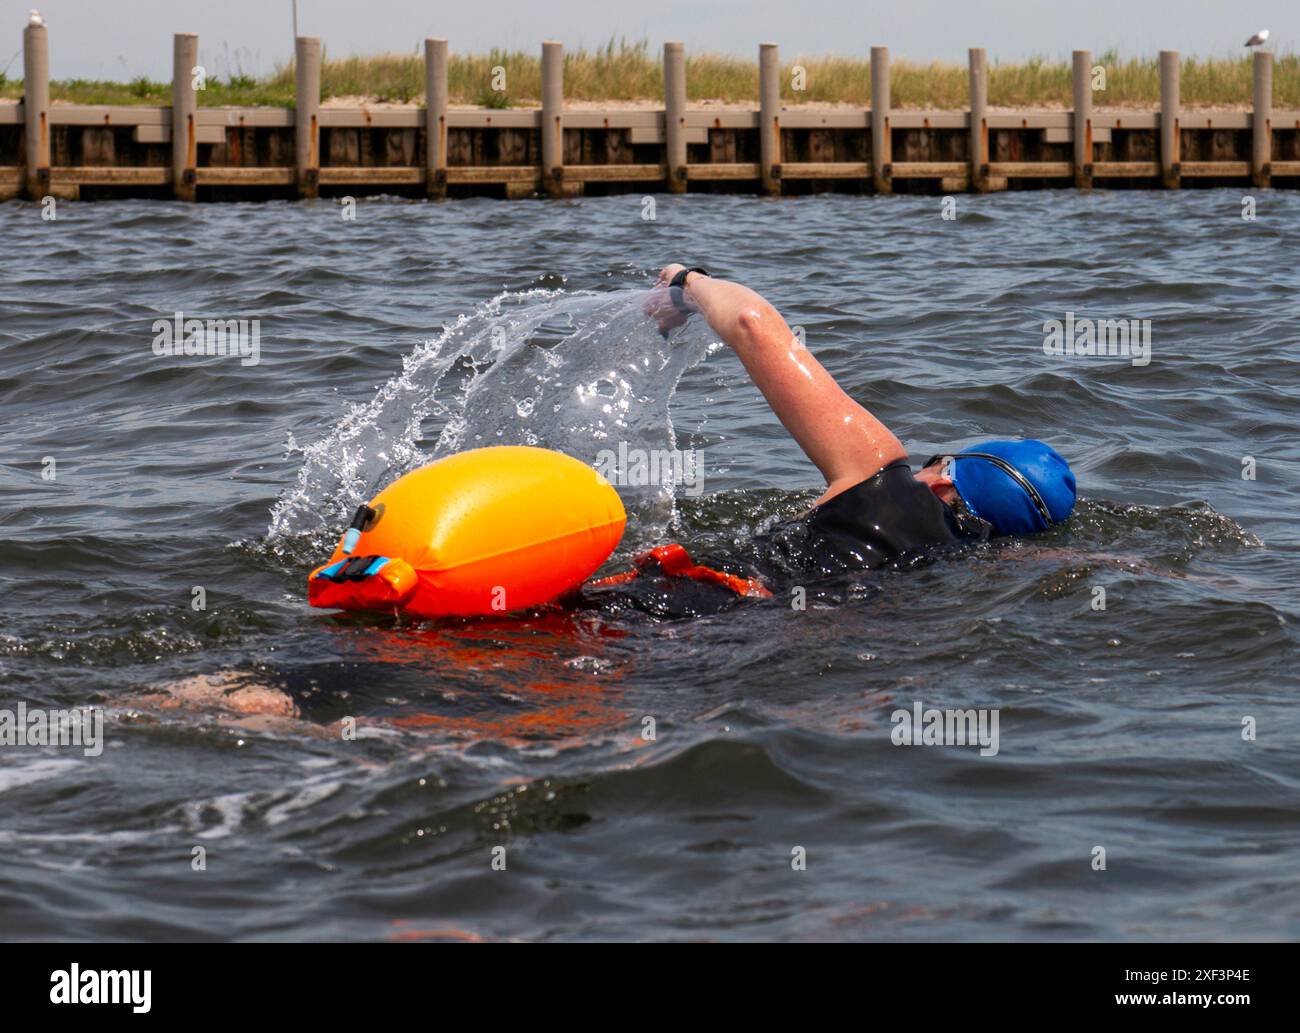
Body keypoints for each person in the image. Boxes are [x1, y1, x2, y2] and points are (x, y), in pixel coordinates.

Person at [581, 264, 1078, 615]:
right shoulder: (960, 561)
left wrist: (687, 282)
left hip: (668, 606)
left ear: (947, 479)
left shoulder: (882, 478)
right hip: (734, 634)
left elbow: (751, 323)